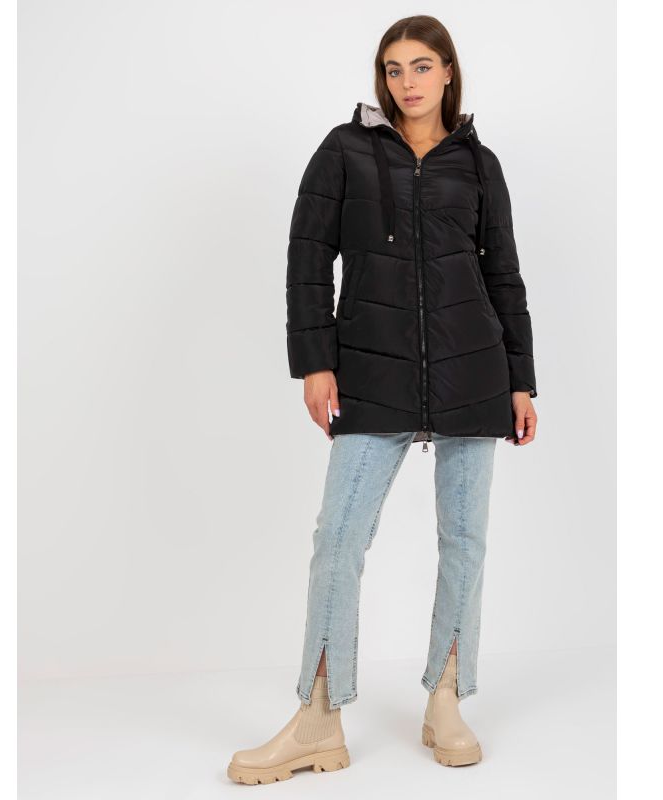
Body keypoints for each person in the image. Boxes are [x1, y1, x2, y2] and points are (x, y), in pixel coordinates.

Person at [227, 14, 538, 784]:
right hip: (371, 375)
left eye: (422, 66)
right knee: (338, 539)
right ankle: (318, 718)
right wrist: (315, 363)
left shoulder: (479, 163)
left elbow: (503, 275)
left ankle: (446, 700)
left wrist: (521, 380)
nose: (408, 82)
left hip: (473, 375)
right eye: (395, 68)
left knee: (464, 543)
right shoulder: (346, 151)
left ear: (448, 72)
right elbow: (308, 258)